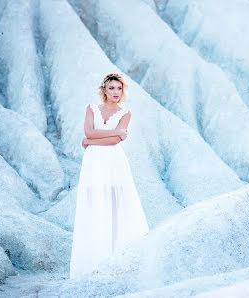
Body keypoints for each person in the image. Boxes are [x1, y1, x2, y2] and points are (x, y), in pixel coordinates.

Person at [69, 73, 149, 279]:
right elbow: (90, 131)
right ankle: (93, 260)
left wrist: (91, 140)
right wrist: (108, 134)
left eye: (119, 89)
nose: (116, 92)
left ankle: (114, 258)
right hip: (93, 162)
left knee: (115, 203)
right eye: (112, 88)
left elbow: (113, 142)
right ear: (104, 89)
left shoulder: (125, 113)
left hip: (114, 162)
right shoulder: (91, 109)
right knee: (94, 202)